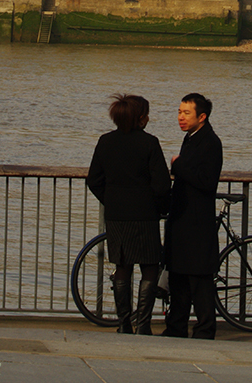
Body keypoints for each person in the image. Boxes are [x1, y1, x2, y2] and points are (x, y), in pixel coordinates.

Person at [87, 94, 171, 335]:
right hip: (145, 214)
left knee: (122, 265)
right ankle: (142, 324)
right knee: (149, 266)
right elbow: (162, 185)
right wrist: (159, 206)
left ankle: (124, 323)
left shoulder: (105, 142)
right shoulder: (149, 143)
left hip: (116, 214)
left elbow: (94, 180)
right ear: (140, 118)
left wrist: (111, 199)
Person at [163, 92, 223, 340]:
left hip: (197, 222)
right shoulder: (191, 138)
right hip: (183, 219)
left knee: (199, 279)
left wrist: (178, 167)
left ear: (202, 116)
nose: (180, 117)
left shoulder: (210, 142)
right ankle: (176, 327)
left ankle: (205, 329)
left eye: (186, 113)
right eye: (179, 112)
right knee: (178, 276)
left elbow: (207, 182)